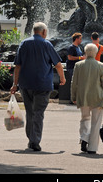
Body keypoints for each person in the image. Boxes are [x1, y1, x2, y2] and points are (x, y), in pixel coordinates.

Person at [11, 22, 65, 151]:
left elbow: (17, 66)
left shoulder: (24, 44)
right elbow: (57, 64)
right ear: (44, 32)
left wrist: (14, 84)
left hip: (26, 84)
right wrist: (62, 78)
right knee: (38, 113)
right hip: (42, 84)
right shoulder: (47, 44)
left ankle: (31, 139)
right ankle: (34, 140)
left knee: (30, 112)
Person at [71, 43, 103, 154]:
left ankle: (84, 138)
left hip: (83, 97)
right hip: (97, 97)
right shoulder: (101, 66)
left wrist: (73, 96)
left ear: (85, 52)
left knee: (84, 118)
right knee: (96, 122)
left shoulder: (78, 65)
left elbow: (74, 83)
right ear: (96, 53)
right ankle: (92, 148)